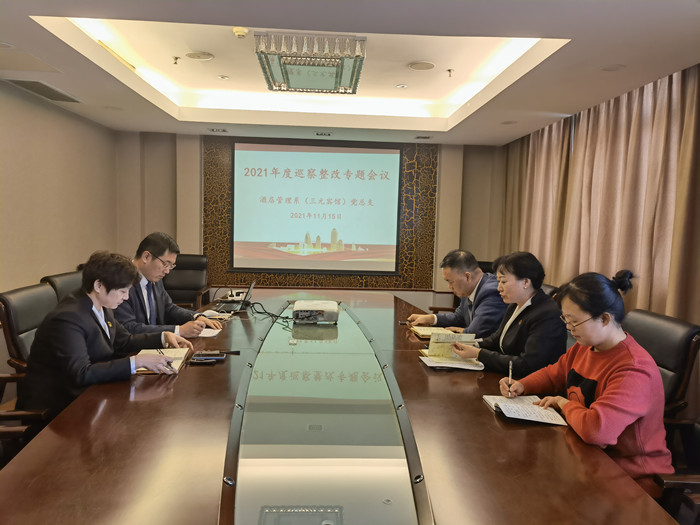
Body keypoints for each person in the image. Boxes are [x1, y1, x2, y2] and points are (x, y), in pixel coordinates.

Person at [499, 270, 673, 496]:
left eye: (574, 322)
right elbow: (554, 373)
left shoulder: (633, 369)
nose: (568, 328)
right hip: (586, 456)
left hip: (631, 478)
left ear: (605, 319)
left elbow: (597, 430)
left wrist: (563, 403)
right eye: (565, 319)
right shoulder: (586, 347)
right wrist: (522, 385)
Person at [17, 251, 194, 420]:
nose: (126, 297)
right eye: (123, 291)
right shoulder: (68, 318)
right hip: (58, 409)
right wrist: (136, 362)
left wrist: (163, 337)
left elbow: (124, 341)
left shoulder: (101, 305)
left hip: (92, 394)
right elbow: (81, 373)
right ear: (99, 286)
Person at [452, 251, 567, 376]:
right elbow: (497, 339)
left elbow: (527, 365)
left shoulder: (547, 314)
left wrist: (479, 354)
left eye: (503, 282)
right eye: (498, 282)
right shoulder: (515, 304)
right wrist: (471, 343)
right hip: (507, 376)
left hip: (531, 382)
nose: (499, 288)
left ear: (525, 282)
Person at [114, 232, 222, 337]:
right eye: (165, 264)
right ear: (146, 257)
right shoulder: (120, 281)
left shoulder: (155, 278)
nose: (167, 271)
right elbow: (128, 327)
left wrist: (196, 317)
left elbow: (169, 308)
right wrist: (178, 330)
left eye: (171, 266)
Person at [407, 250, 506, 338]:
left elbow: (476, 332)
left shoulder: (492, 291)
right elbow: (459, 318)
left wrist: (464, 331)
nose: (449, 286)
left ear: (467, 277)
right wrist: (430, 318)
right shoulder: (468, 288)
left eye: (450, 281)